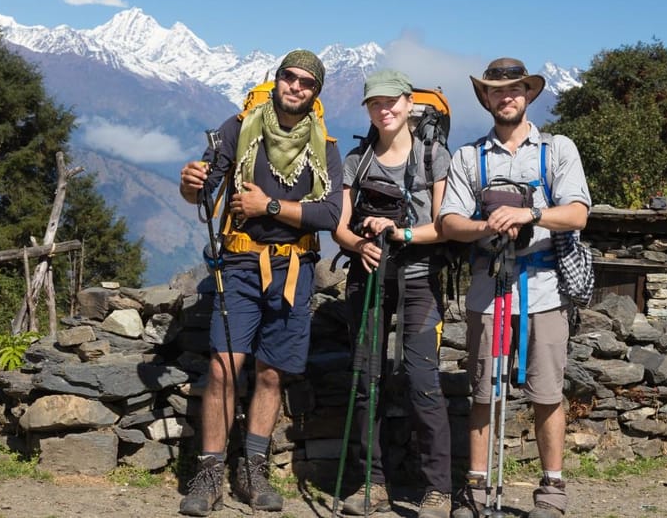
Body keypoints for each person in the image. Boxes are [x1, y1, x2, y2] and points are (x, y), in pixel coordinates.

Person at [177, 49, 343, 516]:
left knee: (272, 372)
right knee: (223, 367)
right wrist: (189, 184)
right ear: (276, 80)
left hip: (295, 269)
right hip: (241, 264)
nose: (295, 86)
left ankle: (253, 467)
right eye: (288, 78)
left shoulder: (324, 146)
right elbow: (204, 187)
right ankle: (209, 472)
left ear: (315, 93)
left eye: (306, 82)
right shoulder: (238, 128)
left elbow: (329, 214)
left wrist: (267, 207)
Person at [439, 58, 591, 518]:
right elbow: (448, 222)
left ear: (528, 94)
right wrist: (487, 224)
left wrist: (530, 214)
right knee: (483, 392)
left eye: (515, 89)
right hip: (488, 287)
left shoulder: (558, 149)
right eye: (496, 90)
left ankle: (552, 491)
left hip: (544, 290)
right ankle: (477, 490)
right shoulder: (469, 157)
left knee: (547, 392)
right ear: (485, 98)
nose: (506, 96)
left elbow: (579, 214)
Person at [332, 70, 453, 518]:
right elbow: (339, 226)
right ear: (367, 109)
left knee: (423, 383)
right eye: (374, 103)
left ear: (408, 102)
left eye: (391, 101)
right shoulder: (356, 160)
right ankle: (372, 483)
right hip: (368, 280)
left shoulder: (433, 156)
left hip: (419, 279)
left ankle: (438, 490)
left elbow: (444, 225)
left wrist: (398, 231)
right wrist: (359, 244)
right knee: (367, 383)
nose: (384, 109)